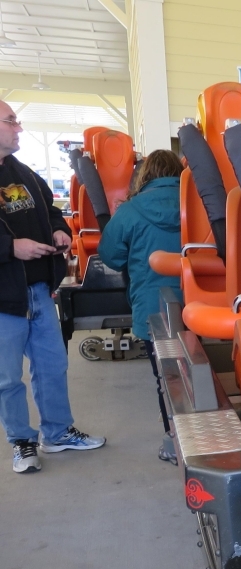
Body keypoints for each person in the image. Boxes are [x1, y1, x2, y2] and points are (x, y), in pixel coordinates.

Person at [0, 100, 105, 474]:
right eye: (11, 121)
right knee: (7, 378)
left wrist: (60, 229)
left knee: (52, 365)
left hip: (39, 291)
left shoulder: (22, 173)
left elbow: (51, 209)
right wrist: (10, 248)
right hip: (4, 299)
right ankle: (22, 443)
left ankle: (57, 433)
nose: (18, 128)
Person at [98, 150, 183, 463]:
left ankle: (174, 442)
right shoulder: (201, 204)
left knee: (167, 377)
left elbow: (111, 256)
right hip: (200, 305)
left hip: (153, 305)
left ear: (145, 175)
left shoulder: (130, 211)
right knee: (203, 372)